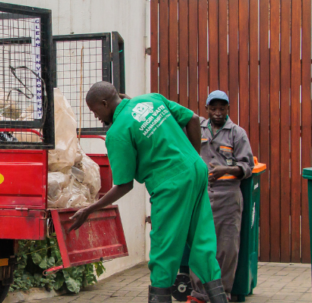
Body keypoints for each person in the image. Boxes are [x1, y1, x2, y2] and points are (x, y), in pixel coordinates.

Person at [69, 82, 229, 303]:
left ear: (105, 104)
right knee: (202, 241)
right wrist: (192, 158)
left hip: (170, 185)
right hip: (197, 171)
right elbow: (193, 119)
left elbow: (124, 185)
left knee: (164, 249)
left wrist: (90, 209)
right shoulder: (151, 99)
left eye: (95, 110)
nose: (96, 116)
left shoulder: (117, 132)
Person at [189, 90, 254, 303]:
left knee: (226, 247)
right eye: (213, 108)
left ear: (228, 109)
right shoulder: (196, 128)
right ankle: (199, 294)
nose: (218, 113)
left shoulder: (237, 133)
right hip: (202, 195)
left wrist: (226, 171)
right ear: (206, 109)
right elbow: (171, 116)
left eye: (222, 108)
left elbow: (247, 166)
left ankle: (221, 293)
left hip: (228, 197)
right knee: (201, 245)